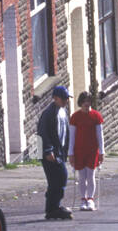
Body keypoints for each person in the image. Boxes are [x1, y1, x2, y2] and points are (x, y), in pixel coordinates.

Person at [37, 85, 73, 219]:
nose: (66, 101)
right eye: (63, 99)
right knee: (58, 179)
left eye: (67, 99)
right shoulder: (49, 113)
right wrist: (48, 151)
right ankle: (52, 209)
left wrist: (67, 150)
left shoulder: (62, 111)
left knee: (59, 179)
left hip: (58, 152)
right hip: (49, 154)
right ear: (55, 98)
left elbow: (65, 132)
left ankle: (53, 207)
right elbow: (42, 132)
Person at [69, 92, 105, 211]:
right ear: (80, 103)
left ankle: (90, 199)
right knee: (81, 176)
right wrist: (70, 153)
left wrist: (101, 152)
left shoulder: (96, 116)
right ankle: (83, 199)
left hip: (92, 150)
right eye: (84, 101)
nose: (86, 104)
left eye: (88, 101)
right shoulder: (75, 117)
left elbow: (100, 136)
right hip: (79, 150)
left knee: (91, 175)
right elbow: (72, 137)